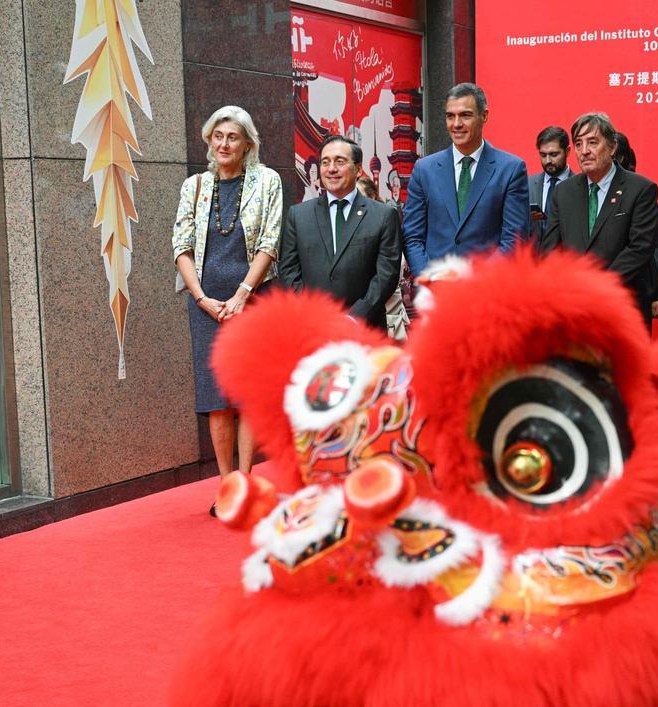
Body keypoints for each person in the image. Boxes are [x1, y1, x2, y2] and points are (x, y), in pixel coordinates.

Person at [172, 106, 283, 512]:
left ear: (247, 143)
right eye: (217, 136)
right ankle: (227, 488)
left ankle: (247, 483)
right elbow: (180, 247)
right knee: (217, 396)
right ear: (208, 141)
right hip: (205, 304)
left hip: (252, 299)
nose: (223, 144)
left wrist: (242, 294)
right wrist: (202, 298)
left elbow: (271, 242)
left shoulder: (267, 181)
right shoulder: (195, 186)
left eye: (232, 137)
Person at [541, 112, 658, 322]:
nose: (584, 151)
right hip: (574, 308)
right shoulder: (564, 192)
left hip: (623, 307)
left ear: (612, 147)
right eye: (578, 144)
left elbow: (640, 248)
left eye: (593, 142)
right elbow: (550, 249)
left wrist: (597, 287)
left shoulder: (640, 189)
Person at [277, 135, 401, 331]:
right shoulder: (298, 215)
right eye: (325, 162)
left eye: (339, 161)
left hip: (365, 330)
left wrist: (354, 318)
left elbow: (386, 275)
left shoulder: (383, 215)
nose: (331, 168)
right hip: (311, 329)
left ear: (358, 169)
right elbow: (288, 271)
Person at [402, 83, 529, 274]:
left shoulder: (510, 169)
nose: (456, 124)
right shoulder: (424, 170)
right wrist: (430, 280)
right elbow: (412, 237)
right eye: (450, 116)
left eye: (465, 115)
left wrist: (472, 285)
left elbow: (514, 240)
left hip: (487, 291)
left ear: (484, 116)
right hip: (436, 293)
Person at [528, 126, 572, 236]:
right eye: (543, 155)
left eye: (554, 154)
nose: (548, 161)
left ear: (567, 151)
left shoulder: (582, 186)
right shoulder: (527, 184)